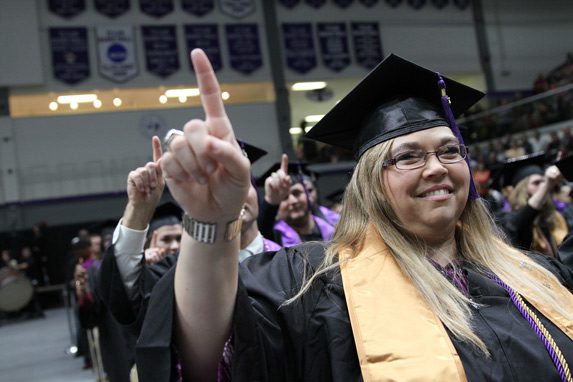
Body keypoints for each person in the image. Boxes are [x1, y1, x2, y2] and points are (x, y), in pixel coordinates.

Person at [145, 50, 573, 381]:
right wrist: (213, 222)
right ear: (370, 182)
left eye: (448, 149)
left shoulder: (532, 274)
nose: (437, 167)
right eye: (407, 156)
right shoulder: (315, 285)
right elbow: (208, 354)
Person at [99, 135, 280, 333]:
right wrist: (138, 212)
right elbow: (129, 302)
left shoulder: (293, 262)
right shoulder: (176, 272)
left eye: (239, 183)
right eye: (214, 187)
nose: (230, 195)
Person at [502, 153, 568, 257]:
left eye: (543, 182)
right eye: (536, 183)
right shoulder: (509, 220)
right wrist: (548, 184)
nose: (542, 186)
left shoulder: (553, 216)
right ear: (522, 189)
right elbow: (522, 221)